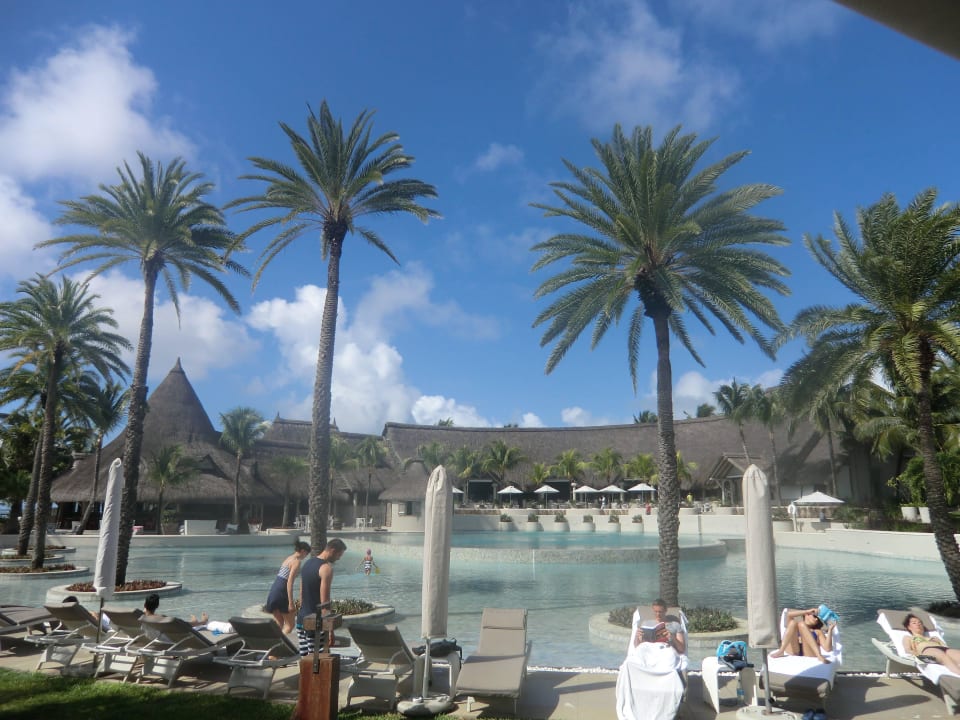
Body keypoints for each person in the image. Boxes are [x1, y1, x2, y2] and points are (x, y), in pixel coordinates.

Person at [296, 538, 347, 657]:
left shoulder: (307, 564)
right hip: (315, 623)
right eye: (339, 555)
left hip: (301, 620)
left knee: (305, 660)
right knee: (317, 662)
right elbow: (324, 603)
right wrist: (330, 630)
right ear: (333, 551)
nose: (339, 558)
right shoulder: (326, 569)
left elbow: (301, 594)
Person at [264, 540, 311, 633]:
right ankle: (282, 641)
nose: (305, 556)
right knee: (290, 625)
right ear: (303, 551)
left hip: (274, 590)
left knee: (279, 622)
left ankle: (274, 640)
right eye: (306, 554)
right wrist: (290, 602)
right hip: (282, 591)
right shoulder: (296, 562)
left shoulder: (288, 558)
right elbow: (289, 582)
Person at [770, 607, 835, 663]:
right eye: (815, 617)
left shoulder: (818, 631)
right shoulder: (795, 628)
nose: (816, 619)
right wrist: (806, 611)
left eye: (818, 620)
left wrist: (830, 630)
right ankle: (781, 651)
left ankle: (819, 655)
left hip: (809, 653)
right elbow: (789, 614)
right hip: (794, 651)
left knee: (802, 625)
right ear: (806, 615)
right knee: (793, 623)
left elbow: (828, 649)